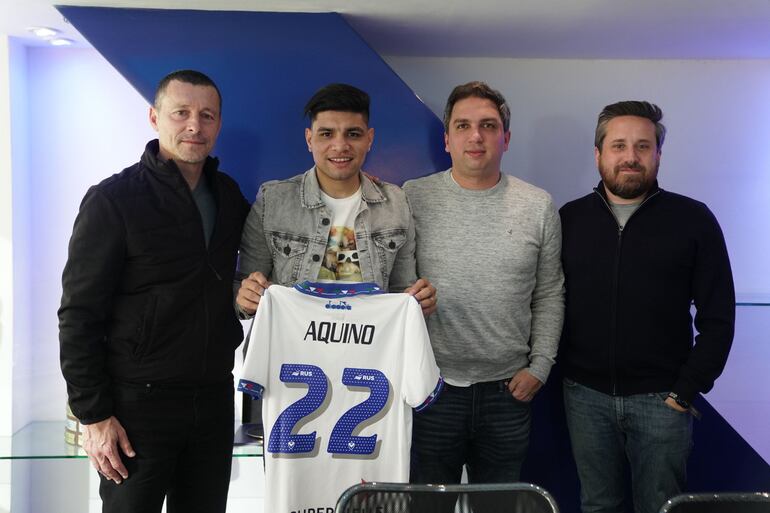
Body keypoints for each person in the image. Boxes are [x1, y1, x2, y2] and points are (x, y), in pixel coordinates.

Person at [58, 70, 250, 513]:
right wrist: (93, 414)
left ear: (219, 124)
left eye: (207, 115)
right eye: (181, 113)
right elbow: (78, 314)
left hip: (214, 397)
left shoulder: (228, 194)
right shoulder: (113, 200)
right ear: (154, 117)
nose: (194, 126)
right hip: (136, 406)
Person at [559, 101, 735, 513]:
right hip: (584, 398)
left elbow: (719, 317)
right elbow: (548, 301)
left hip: (663, 400)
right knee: (598, 505)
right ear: (599, 154)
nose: (630, 157)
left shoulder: (694, 220)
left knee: (661, 507)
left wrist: (687, 389)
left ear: (658, 154)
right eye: (618, 145)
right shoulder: (569, 219)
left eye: (643, 146)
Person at [403, 82, 565, 499]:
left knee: (497, 506)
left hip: (508, 393)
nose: (476, 136)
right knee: (426, 506)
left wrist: (540, 366)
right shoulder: (412, 197)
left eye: (488, 126)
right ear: (447, 138)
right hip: (431, 390)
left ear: (505, 138)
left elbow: (549, 293)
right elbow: (394, 287)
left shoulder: (538, 205)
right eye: (463, 125)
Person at [235, 83, 437, 317]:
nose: (340, 146)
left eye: (353, 134)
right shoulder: (272, 202)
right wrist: (246, 300)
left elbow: (402, 293)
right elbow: (243, 289)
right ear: (309, 139)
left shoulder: (395, 203)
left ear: (369, 139)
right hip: (292, 349)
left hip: (369, 348)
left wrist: (419, 303)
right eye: (326, 134)